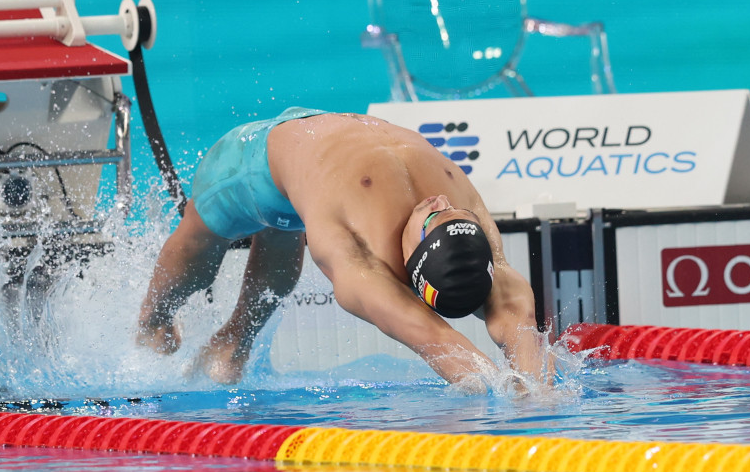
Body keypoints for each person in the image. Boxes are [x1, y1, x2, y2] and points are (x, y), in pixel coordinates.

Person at [137, 107, 548, 389]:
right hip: (289, 144)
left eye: (430, 218)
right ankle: (150, 323)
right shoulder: (465, 208)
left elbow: (436, 341)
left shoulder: (359, 262)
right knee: (214, 249)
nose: (437, 201)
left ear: (409, 265)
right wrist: (535, 389)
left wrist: (511, 396)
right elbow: (516, 312)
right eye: (451, 214)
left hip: (261, 166)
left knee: (254, 249)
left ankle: (233, 342)